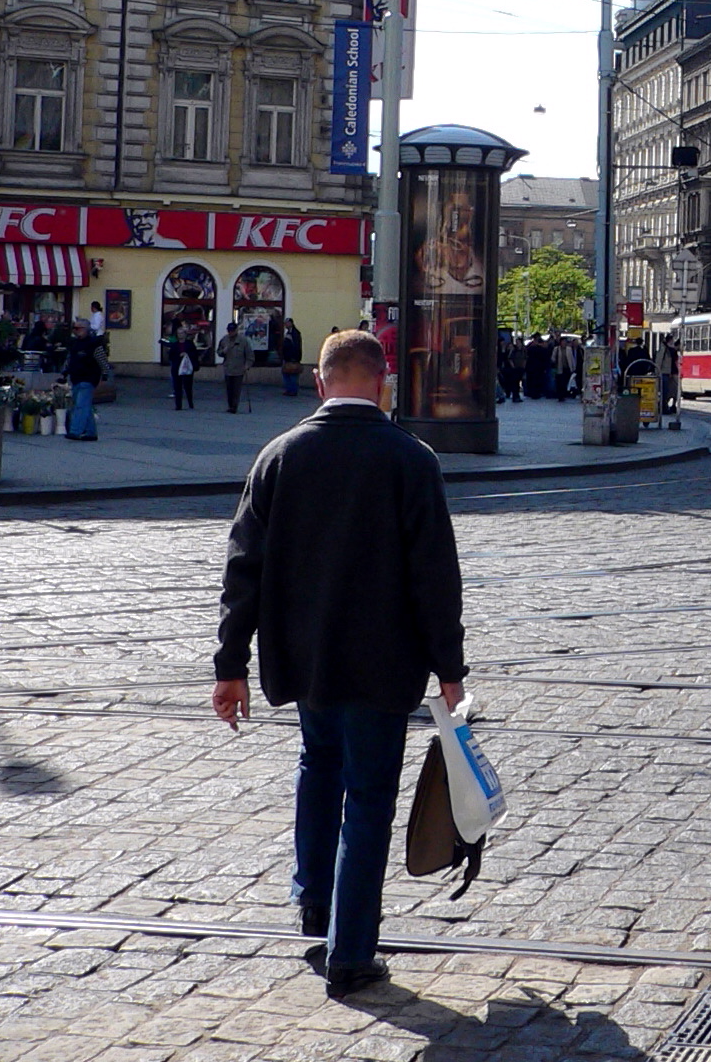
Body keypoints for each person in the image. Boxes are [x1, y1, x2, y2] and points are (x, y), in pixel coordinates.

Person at [212, 330, 466, 1000]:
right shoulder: (411, 459)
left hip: (307, 663)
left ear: (321, 384)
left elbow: (243, 570)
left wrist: (230, 664)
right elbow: (436, 575)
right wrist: (450, 665)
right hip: (385, 664)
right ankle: (351, 954)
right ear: (383, 383)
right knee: (369, 799)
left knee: (318, 767)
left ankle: (314, 906)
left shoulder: (279, 456)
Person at [64, 320, 103, 441]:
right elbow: (69, 360)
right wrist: (64, 372)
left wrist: (105, 375)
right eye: (74, 328)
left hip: (89, 378)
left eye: (78, 328)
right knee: (85, 405)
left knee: (81, 405)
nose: (75, 331)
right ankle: (91, 433)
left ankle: (75, 431)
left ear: (86, 329)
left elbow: (103, 361)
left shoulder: (94, 344)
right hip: (76, 378)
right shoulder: (74, 344)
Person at [220, 321, 252, 414]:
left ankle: (234, 407)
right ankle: (230, 405)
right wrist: (223, 351)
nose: (231, 333)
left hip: (239, 369)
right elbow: (219, 351)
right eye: (229, 331)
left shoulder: (243, 341)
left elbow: (250, 355)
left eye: (233, 331)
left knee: (236, 390)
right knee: (229, 389)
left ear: (236, 330)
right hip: (228, 368)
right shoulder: (224, 340)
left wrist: (247, 365)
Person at [168, 326, 199, 411]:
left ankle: (190, 403)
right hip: (177, 368)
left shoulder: (190, 344)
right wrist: (178, 356)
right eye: (178, 333)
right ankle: (178, 405)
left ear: (185, 334)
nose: (180, 335)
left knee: (188, 386)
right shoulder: (175, 345)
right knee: (177, 387)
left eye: (181, 333)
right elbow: (171, 356)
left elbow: (195, 354)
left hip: (187, 368)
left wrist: (187, 354)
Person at [278, 319, 305, 398]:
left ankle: (293, 390)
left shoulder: (295, 333)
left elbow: (296, 347)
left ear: (291, 323)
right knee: (287, 374)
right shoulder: (289, 333)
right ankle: (289, 390)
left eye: (286, 323)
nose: (285, 325)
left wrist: (295, 357)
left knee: (292, 375)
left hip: (293, 358)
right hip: (288, 357)